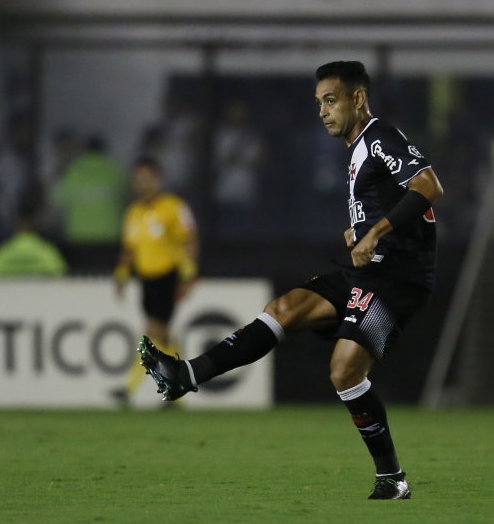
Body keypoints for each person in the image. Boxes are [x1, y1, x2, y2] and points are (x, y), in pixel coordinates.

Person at [138, 61, 444, 500]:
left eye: (331, 100)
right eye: (319, 102)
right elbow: (393, 203)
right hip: (370, 270)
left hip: (399, 281)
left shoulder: (379, 136)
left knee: (344, 370)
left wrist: (375, 233)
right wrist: (361, 232)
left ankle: (392, 478)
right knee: (284, 309)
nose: (322, 111)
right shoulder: (358, 147)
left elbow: (429, 185)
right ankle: (187, 374)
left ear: (358, 98)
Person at [111, 156, 199, 407]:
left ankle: (128, 389)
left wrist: (189, 273)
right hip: (146, 280)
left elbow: (189, 239)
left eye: (148, 178)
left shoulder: (173, 206)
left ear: (158, 179)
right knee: (164, 337)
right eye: (139, 179)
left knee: (152, 331)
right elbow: (129, 249)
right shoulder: (133, 213)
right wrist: (121, 275)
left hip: (167, 276)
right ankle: (179, 393)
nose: (143, 184)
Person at [0, 199, 67, 279]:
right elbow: (60, 275)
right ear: (34, 230)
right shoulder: (46, 251)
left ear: (15, 230)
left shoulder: (3, 252)